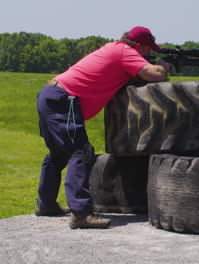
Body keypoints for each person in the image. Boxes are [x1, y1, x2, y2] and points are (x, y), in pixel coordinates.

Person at [35, 26, 172, 229]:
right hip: (65, 99)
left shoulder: (114, 49)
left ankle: (45, 205)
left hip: (52, 95)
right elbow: (154, 74)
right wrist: (163, 66)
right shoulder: (125, 51)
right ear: (140, 46)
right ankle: (81, 213)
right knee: (81, 151)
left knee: (58, 154)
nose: (149, 54)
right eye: (149, 49)